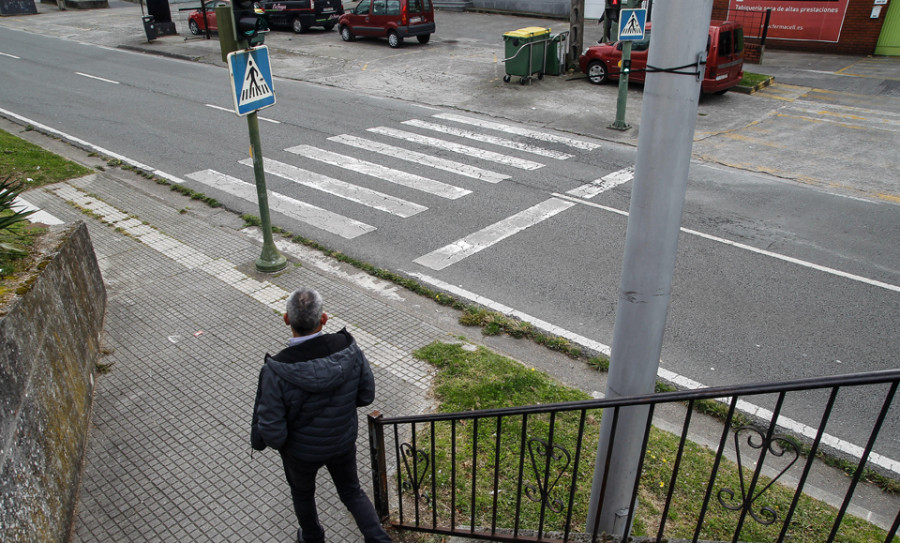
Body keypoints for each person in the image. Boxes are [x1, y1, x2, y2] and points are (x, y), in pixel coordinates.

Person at [251, 288, 392, 543]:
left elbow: (272, 434)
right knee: (352, 492)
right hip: (342, 441)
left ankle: (313, 537)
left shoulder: (276, 370)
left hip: (301, 455)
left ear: (286, 319)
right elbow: (366, 395)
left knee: (303, 495)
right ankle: (379, 539)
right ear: (324, 318)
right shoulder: (349, 349)